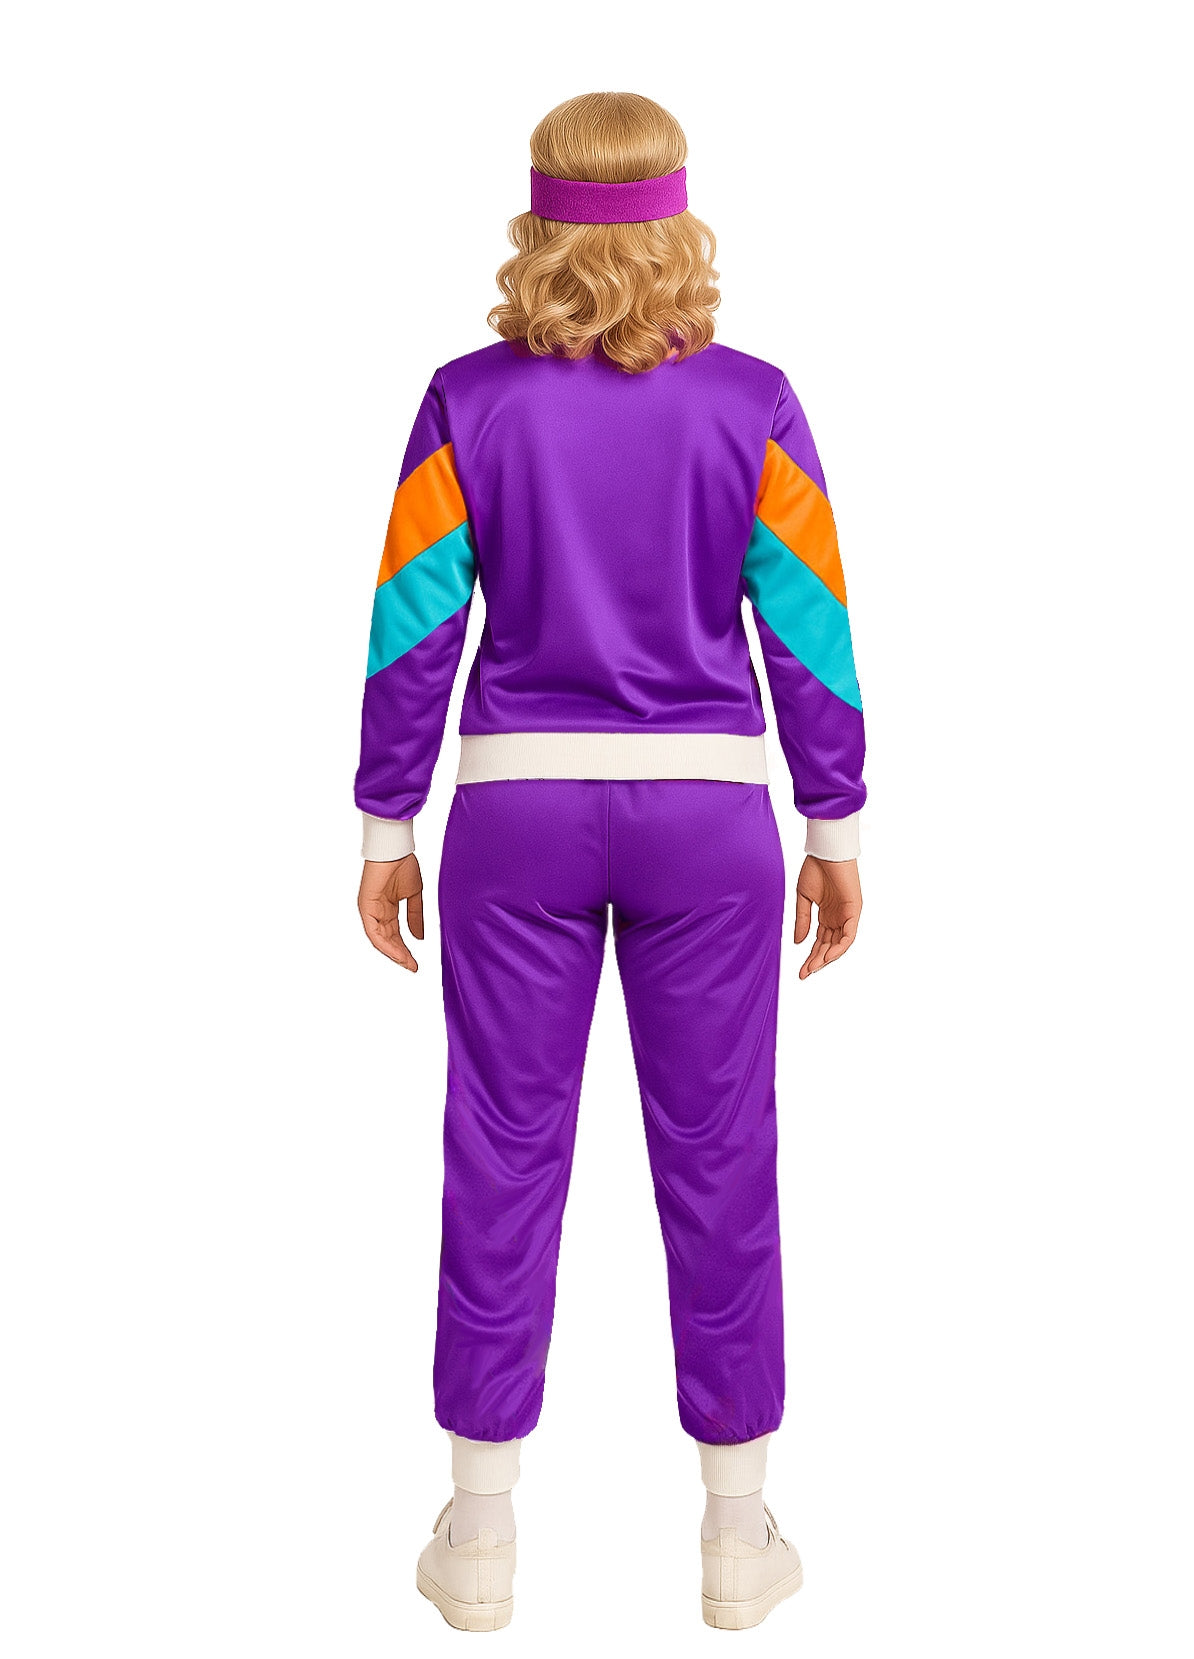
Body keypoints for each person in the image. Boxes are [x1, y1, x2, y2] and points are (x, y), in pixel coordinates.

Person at [354, 90, 866, 1633]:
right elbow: (809, 629)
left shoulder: (465, 401)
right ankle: (734, 1539)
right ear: (680, 219)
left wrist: (385, 821)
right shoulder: (753, 403)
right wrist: (832, 821)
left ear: (535, 221)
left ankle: (478, 1539)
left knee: (500, 1151)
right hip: (708, 824)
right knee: (720, 1156)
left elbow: (413, 623)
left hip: (513, 816)